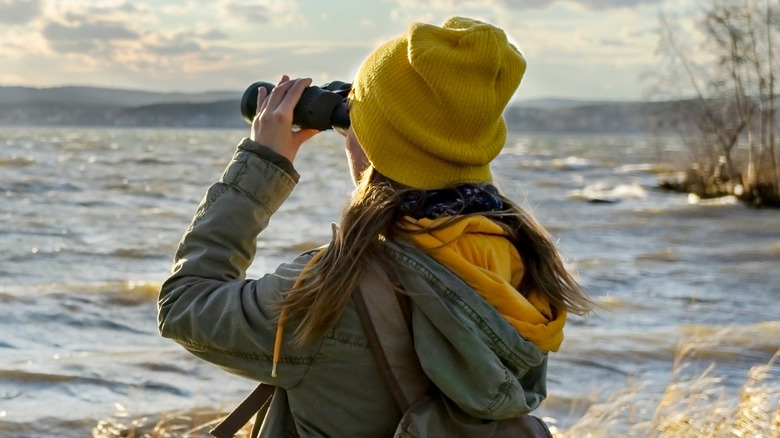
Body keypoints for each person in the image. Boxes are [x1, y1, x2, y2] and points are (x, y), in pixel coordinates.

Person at [158, 16, 592, 437]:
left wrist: (261, 165)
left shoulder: (330, 291)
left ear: (372, 140)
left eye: (355, 117)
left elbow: (183, 305)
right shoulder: (521, 267)